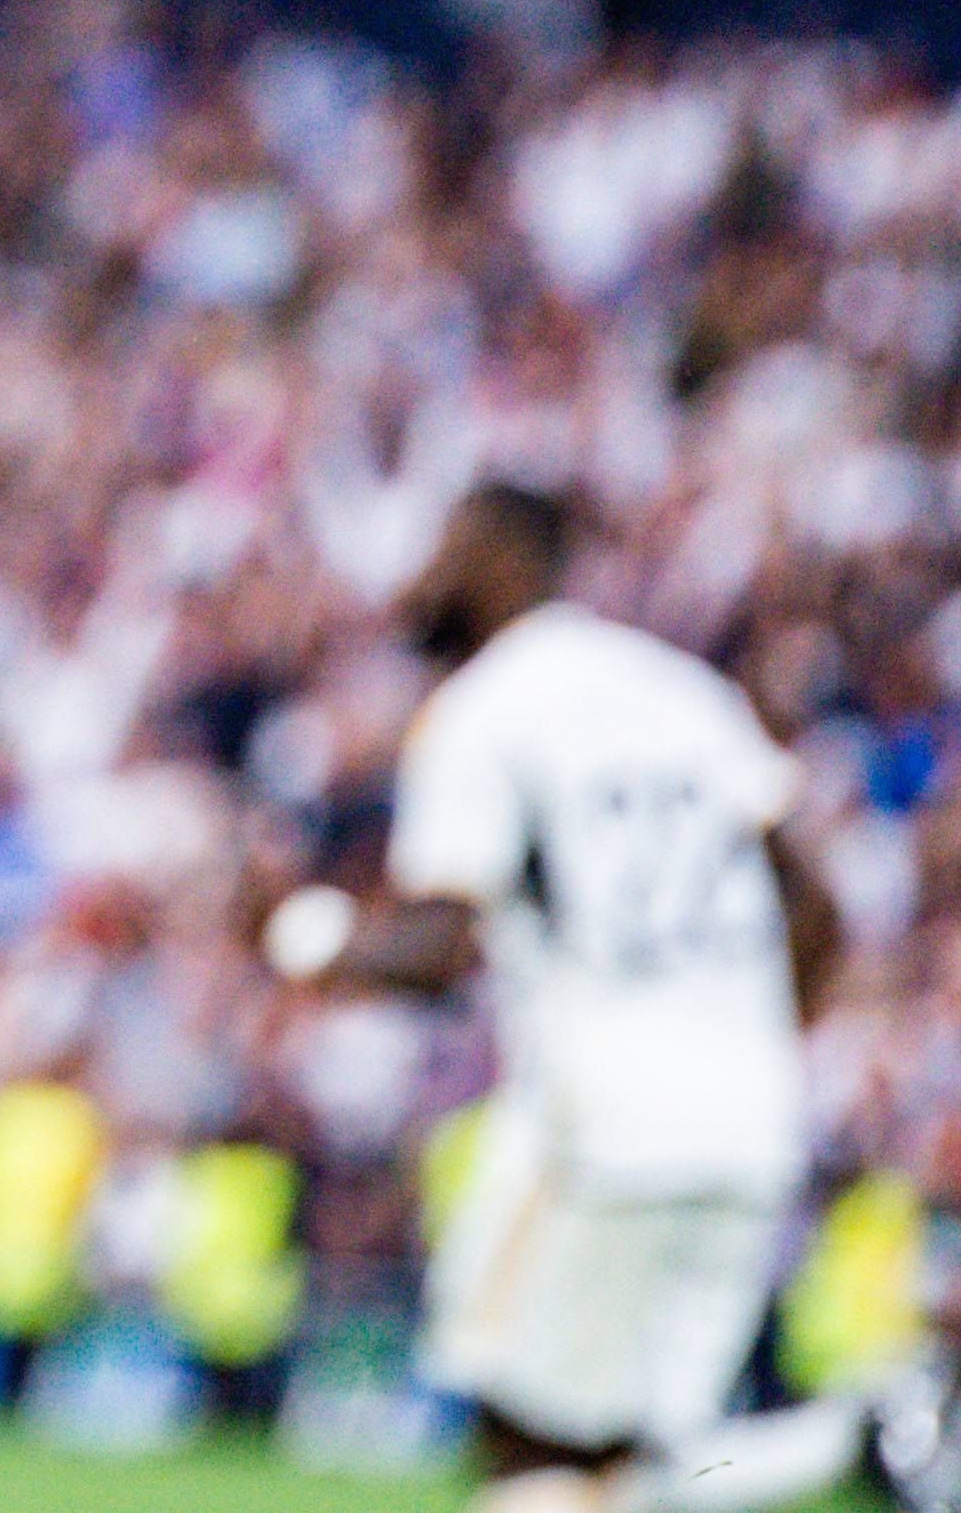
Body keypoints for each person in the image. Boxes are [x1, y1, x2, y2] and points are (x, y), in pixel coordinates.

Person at [264, 481, 889, 1513]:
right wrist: (744, 1042)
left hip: (603, 1126)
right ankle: (840, 1440)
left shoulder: (482, 708)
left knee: (520, 1440)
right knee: (636, 1468)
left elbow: (437, 943)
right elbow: (814, 907)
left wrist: (310, 946)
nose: (419, 575)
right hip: (751, 1121)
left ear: (500, 553)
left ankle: (844, 1440)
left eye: (443, 546)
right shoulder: (681, 688)